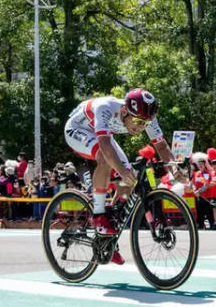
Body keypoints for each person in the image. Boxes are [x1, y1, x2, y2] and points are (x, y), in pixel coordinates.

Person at [63, 88, 172, 265]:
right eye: (137, 121)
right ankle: (99, 216)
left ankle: (109, 233)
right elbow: (105, 146)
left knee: (130, 180)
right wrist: (121, 170)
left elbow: (162, 148)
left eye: (145, 123)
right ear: (124, 111)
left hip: (102, 135)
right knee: (105, 159)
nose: (141, 127)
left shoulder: (145, 116)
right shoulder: (105, 107)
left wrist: (176, 171)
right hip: (78, 129)